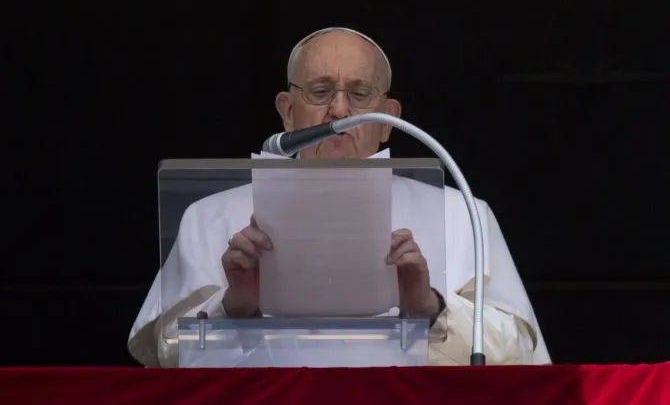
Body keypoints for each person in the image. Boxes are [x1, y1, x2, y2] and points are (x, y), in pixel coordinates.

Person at [128, 27, 551, 367]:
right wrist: (232, 306)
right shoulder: (210, 217)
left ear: (389, 121)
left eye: (360, 94)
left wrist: (430, 308)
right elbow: (164, 358)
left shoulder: (462, 215)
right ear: (287, 110)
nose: (339, 111)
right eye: (320, 91)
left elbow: (517, 358)